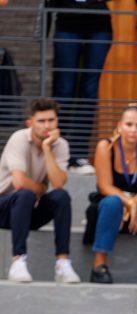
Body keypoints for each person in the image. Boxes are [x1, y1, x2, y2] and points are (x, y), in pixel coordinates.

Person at [0, 98, 79, 283]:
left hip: (28, 210)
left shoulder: (60, 145)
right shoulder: (19, 138)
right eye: (41, 121)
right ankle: (18, 261)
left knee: (61, 197)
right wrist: (42, 188)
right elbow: (19, 182)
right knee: (25, 194)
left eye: (51, 120)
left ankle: (63, 263)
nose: (47, 126)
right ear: (30, 123)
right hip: (4, 207)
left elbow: (58, 184)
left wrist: (47, 148)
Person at [88, 105, 137, 285]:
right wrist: (130, 203)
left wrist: (135, 205)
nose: (133, 130)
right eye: (129, 124)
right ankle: (98, 267)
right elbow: (105, 186)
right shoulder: (105, 146)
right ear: (119, 126)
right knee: (112, 202)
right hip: (111, 211)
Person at [48, 0, 111, 171]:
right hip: (68, 22)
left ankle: (79, 154)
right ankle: (59, 152)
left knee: (90, 91)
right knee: (64, 89)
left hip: (99, 24)